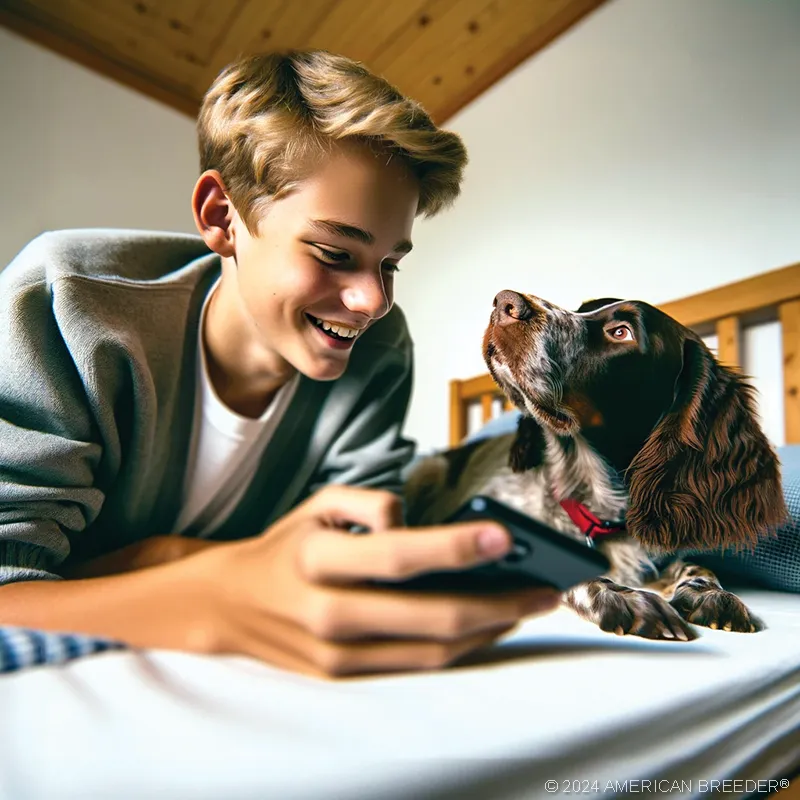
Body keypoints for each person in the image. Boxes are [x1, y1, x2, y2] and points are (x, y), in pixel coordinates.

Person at [0, 50, 560, 677]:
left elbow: (345, 552)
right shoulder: (64, 302)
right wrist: (212, 588)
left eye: (389, 263)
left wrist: (165, 559)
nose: (374, 301)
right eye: (332, 252)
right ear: (222, 219)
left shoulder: (380, 353)